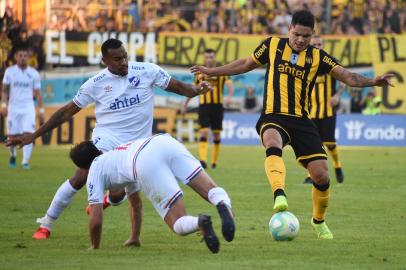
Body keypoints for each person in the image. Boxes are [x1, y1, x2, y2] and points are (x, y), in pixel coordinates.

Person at [191, 10, 394, 240]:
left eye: (306, 36)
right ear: (289, 29)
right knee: (271, 140)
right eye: (297, 34)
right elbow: (246, 64)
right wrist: (212, 71)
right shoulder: (272, 45)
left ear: (312, 35)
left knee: (322, 176)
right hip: (273, 115)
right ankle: (279, 194)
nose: (300, 40)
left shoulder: (318, 57)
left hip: (301, 120)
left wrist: (372, 82)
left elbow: (347, 76)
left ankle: (318, 221)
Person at [7, 38, 213, 240]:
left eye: (125, 56)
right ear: (105, 61)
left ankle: (112, 202)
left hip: (138, 146)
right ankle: (46, 224)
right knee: (81, 176)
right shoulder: (95, 84)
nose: (123, 62)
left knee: (118, 196)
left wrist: (197, 90)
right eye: (117, 59)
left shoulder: (147, 70)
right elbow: (66, 112)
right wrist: (34, 135)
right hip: (107, 140)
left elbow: (178, 86)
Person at [70, 133, 235, 253]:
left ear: (83, 167)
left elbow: (96, 220)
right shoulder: (116, 155)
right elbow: (135, 204)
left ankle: (201, 222)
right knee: (210, 189)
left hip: (143, 160)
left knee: (177, 223)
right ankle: (223, 205)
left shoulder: (94, 171)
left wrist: (95, 247)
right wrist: (134, 238)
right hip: (163, 141)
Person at [182, 49, 234, 169]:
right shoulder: (199, 74)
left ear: (214, 58)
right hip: (204, 106)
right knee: (204, 131)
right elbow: (193, 90)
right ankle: (203, 160)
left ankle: (214, 161)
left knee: (216, 135)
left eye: (211, 57)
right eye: (207, 57)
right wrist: (185, 105)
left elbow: (230, 85)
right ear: (204, 58)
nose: (209, 59)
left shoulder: (222, 72)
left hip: (217, 107)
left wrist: (230, 97)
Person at [304, 35, 345, 184]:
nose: (317, 46)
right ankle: (311, 175)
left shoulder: (330, 62)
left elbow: (343, 81)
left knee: (330, 143)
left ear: (323, 45)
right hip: (310, 112)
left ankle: (337, 165)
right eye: (314, 44)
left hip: (327, 111)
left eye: (319, 44)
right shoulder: (305, 62)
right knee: (312, 145)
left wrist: (337, 96)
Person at [1, 46, 44, 169]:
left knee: (28, 133)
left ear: (28, 57)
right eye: (20, 56)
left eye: (25, 56)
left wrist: (41, 110)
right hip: (13, 107)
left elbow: (38, 93)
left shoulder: (33, 73)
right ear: (16, 57)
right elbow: (4, 90)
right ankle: (13, 155)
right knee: (12, 136)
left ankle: (25, 161)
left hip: (28, 107)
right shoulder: (9, 72)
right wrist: (3, 104)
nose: (23, 58)